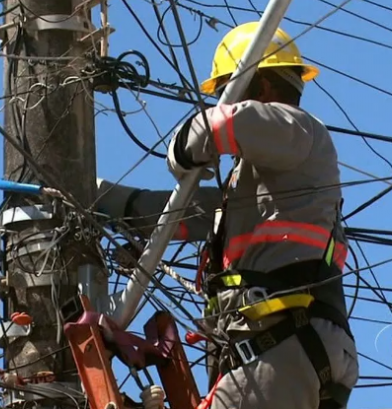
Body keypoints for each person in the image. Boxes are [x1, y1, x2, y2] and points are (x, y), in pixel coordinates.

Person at [95, 22, 359, 409]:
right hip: (287, 345)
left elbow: (211, 129)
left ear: (260, 87)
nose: (221, 101)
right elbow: (181, 215)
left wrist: (182, 152)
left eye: (226, 92)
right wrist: (104, 199)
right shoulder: (266, 184)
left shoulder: (298, 128)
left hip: (281, 340)